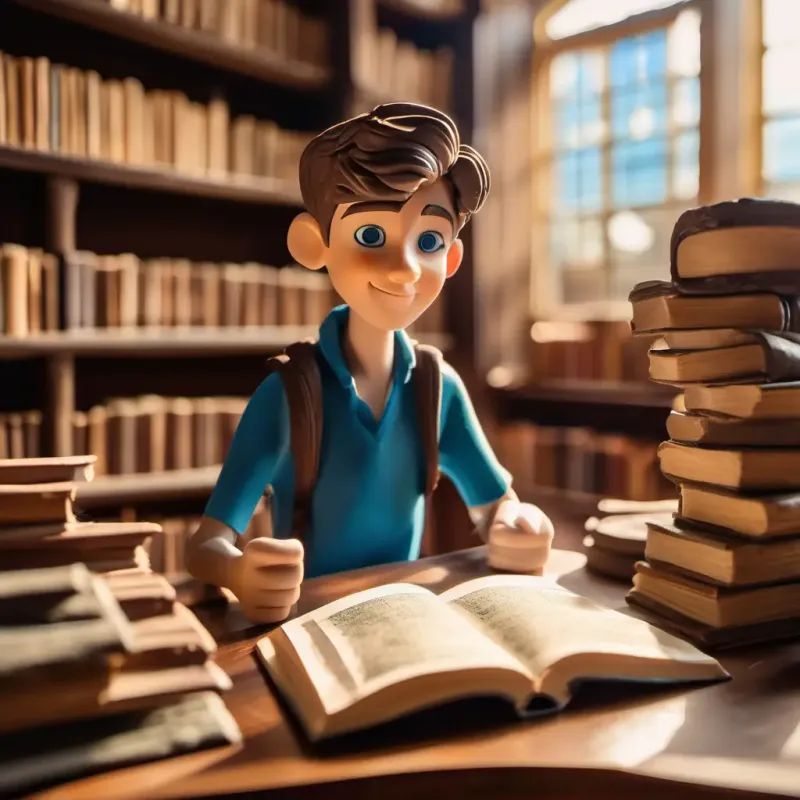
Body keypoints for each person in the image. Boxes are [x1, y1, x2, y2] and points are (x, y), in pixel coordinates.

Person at [186, 103, 554, 624]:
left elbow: (496, 505)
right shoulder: (290, 393)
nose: (403, 269)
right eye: (370, 236)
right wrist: (240, 573)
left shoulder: (437, 388)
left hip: (407, 616)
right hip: (311, 621)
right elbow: (205, 546)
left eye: (428, 241)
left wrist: (519, 525)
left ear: (451, 259)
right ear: (314, 245)